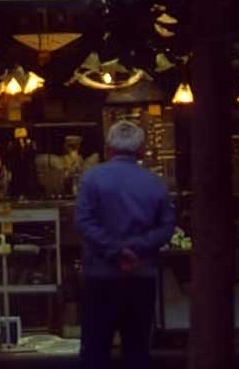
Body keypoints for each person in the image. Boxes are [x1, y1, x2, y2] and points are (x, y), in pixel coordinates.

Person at [75, 119, 175, 369]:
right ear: (141, 150)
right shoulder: (155, 183)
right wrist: (138, 249)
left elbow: (84, 222)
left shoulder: (91, 179)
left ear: (108, 148)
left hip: (100, 276)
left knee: (96, 350)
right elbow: (166, 227)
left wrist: (115, 250)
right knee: (137, 349)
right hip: (141, 275)